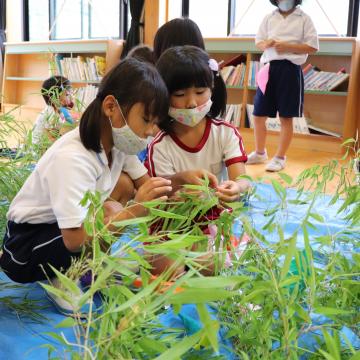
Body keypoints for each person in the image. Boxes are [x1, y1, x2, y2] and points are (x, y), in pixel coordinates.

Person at [0, 58, 177, 313]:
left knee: (123, 187)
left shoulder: (116, 142)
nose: (151, 131)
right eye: (146, 119)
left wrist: (183, 182)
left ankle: (88, 266)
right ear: (110, 107)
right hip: (25, 248)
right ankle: (63, 276)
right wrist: (136, 209)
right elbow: (74, 240)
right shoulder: (73, 158)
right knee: (113, 211)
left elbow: (144, 183)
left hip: (59, 230)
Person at [147, 45, 250, 202]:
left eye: (200, 92)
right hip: (182, 221)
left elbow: (242, 180)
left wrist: (238, 188)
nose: (192, 103)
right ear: (164, 96)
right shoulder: (160, 146)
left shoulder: (226, 133)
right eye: (180, 94)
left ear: (212, 89)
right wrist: (181, 196)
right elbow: (163, 197)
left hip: (220, 213)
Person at [246, 0, 318, 172]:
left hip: (290, 69)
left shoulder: (304, 18)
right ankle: (260, 152)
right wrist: (266, 44)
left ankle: (280, 157)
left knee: (286, 117)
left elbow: (313, 46)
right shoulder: (269, 18)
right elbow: (259, 41)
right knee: (258, 114)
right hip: (269, 69)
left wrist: (288, 46)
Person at [32, 76, 76, 146]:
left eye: (72, 93)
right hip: (40, 150)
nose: (72, 97)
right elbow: (51, 139)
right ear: (54, 98)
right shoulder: (51, 114)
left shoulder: (61, 111)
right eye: (67, 94)